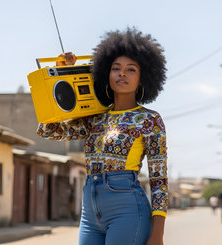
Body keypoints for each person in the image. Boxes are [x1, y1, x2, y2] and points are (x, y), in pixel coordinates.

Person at [37, 28, 168, 245]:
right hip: (90, 212)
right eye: (116, 68)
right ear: (106, 73)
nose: (122, 74)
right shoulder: (93, 118)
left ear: (143, 78)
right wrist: (59, 75)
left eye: (131, 69)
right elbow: (48, 130)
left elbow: (159, 179)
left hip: (127, 209)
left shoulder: (149, 120)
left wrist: (158, 233)